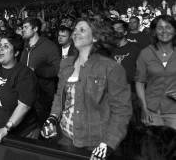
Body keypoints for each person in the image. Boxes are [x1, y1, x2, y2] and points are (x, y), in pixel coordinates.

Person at [41, 18, 132, 159]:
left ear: (95, 37)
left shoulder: (111, 68)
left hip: (95, 143)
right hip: (65, 136)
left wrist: (108, 143)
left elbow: (122, 111)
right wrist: (53, 117)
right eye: (75, 30)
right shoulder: (66, 64)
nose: (76, 33)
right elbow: (60, 96)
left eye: (82, 30)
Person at [0, 0, 38, 143]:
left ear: (16, 52)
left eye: (6, 46)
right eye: (0, 45)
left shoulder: (25, 74)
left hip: (19, 135)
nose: (1, 49)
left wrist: (6, 128)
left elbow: (24, 106)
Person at [135, 15, 176, 130]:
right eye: (160, 28)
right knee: (153, 147)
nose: (164, 31)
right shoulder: (145, 53)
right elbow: (140, 82)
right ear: (154, 32)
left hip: (174, 112)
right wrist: (144, 108)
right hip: (152, 111)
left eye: (168, 27)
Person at [20, 17, 60, 125]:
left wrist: (37, 70)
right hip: (26, 96)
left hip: (42, 97)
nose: (23, 29)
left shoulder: (49, 46)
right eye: (22, 27)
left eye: (26, 27)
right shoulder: (25, 47)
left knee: (43, 129)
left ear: (35, 28)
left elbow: (57, 69)